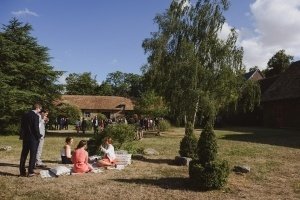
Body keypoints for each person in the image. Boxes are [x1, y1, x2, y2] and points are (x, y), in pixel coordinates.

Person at [19, 103, 42, 177]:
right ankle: (30, 171)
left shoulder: (25, 115)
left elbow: (22, 126)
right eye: (40, 109)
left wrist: (22, 135)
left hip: (25, 137)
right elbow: (36, 128)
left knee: (24, 154)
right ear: (37, 108)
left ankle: (22, 171)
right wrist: (39, 136)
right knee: (33, 155)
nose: (40, 110)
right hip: (33, 138)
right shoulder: (35, 116)